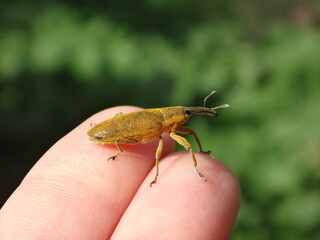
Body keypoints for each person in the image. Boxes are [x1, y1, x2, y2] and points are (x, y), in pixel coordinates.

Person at [0, 106, 240, 239]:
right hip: (117, 133)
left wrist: (201, 113)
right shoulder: (159, 123)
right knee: (151, 147)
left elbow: (188, 128)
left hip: (135, 125)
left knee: (187, 139)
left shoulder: (170, 120)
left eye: (189, 113)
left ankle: (200, 154)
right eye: (187, 113)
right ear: (176, 116)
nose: (188, 115)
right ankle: (179, 169)